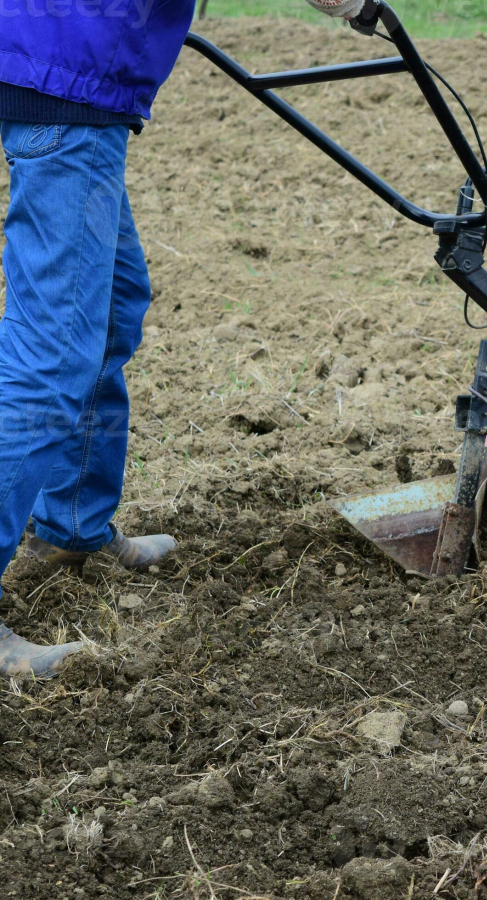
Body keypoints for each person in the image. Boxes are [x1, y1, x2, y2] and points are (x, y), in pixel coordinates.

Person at [0, 0, 361, 677]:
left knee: (111, 307)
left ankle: (73, 526)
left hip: (73, 65)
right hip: (66, 69)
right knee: (53, 349)